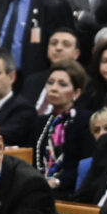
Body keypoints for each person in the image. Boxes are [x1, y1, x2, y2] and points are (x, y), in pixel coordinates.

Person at [27, 63, 96, 195]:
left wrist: (57, 181)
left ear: (76, 93)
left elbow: (87, 165)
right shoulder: (39, 122)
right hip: (37, 190)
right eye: (50, 83)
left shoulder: (85, 121)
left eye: (62, 84)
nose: (53, 88)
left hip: (69, 192)